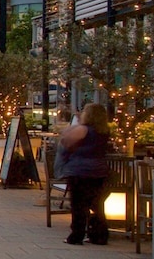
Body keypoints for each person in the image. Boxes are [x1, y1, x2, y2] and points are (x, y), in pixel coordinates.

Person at [57, 102, 113, 245]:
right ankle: (100, 235)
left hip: (80, 172)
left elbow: (65, 141)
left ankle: (76, 235)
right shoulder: (104, 132)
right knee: (97, 205)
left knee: (78, 205)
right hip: (99, 171)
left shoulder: (82, 130)